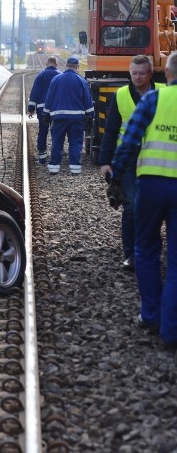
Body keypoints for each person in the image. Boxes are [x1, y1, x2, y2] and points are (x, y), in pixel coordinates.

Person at [109, 50, 177, 350]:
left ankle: (150, 315)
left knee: (147, 250)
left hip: (150, 183)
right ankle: (171, 331)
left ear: (168, 74)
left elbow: (129, 141)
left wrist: (115, 179)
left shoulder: (154, 100)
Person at [98, 55, 157, 270]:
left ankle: (151, 249)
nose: (137, 77)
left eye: (142, 73)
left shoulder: (163, 92)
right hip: (129, 157)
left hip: (156, 157)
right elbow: (111, 129)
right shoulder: (121, 95)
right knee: (131, 205)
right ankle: (131, 254)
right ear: (129, 73)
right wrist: (105, 161)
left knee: (156, 207)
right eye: (134, 73)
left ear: (151, 73)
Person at [42, 56, 94, 175]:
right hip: (76, 118)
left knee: (57, 142)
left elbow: (49, 98)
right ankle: (75, 169)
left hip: (58, 117)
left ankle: (54, 168)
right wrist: (91, 115)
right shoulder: (81, 80)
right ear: (78, 67)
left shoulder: (56, 79)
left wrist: (45, 113)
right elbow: (87, 100)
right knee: (75, 142)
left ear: (66, 66)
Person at [27, 56, 61, 165]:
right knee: (56, 133)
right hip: (56, 109)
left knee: (43, 131)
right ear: (56, 64)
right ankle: (56, 158)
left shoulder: (40, 75)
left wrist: (31, 108)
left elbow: (34, 92)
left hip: (42, 108)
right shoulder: (60, 75)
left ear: (46, 63)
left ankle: (42, 158)